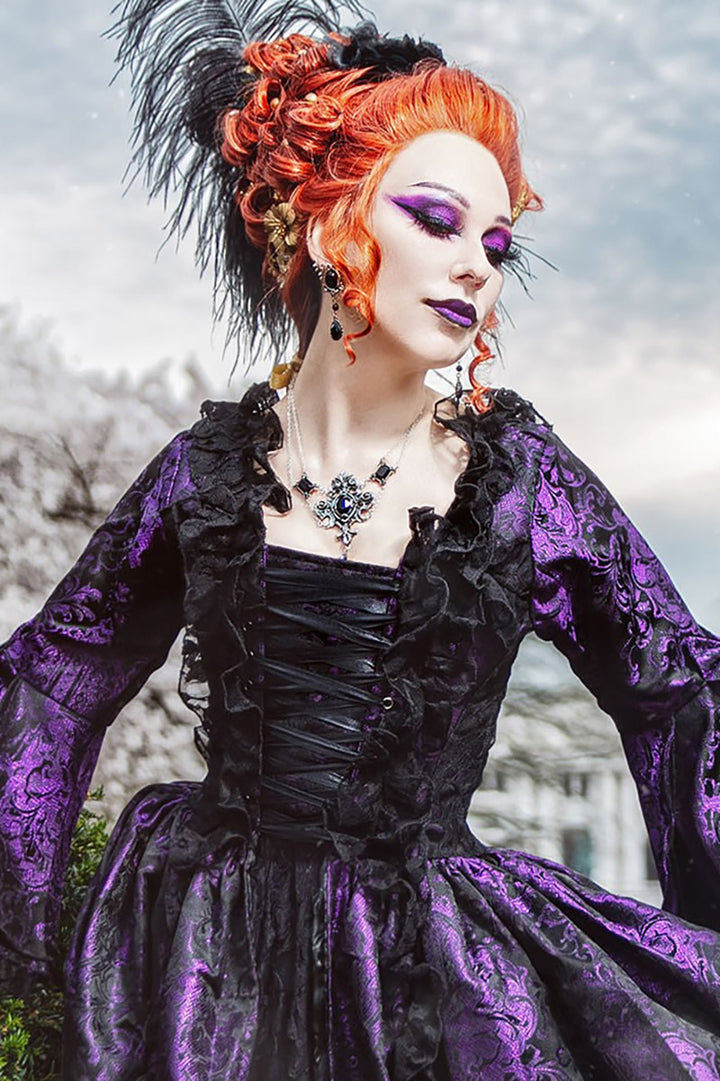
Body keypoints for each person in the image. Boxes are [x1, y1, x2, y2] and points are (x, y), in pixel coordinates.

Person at [1, 0, 719, 1077]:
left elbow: (679, 690)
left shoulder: (517, 484)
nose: (477, 264)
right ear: (332, 225)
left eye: (496, 241)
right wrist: (23, 938)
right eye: (436, 218)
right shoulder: (203, 479)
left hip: (438, 975)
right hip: (203, 966)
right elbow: (56, 679)